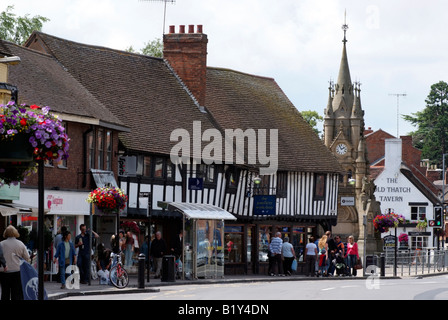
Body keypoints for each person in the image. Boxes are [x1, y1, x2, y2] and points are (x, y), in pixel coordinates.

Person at [0, 225, 30, 300]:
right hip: (17, 271)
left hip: (4, 272)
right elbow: (27, 257)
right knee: (16, 293)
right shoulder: (20, 244)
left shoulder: (1, 244)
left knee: (5, 293)